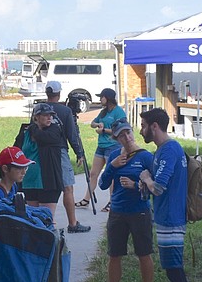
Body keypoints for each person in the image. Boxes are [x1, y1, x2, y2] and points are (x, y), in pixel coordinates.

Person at [139, 108, 202, 282]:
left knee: (176, 273)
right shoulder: (164, 150)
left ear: (154, 126)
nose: (141, 130)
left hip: (172, 220)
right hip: (167, 219)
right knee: (172, 271)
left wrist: (146, 178)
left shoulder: (169, 150)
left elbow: (159, 187)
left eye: (143, 125)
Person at [92, 120, 155, 282]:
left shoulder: (145, 157)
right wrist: (112, 166)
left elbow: (156, 188)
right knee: (114, 255)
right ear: (116, 138)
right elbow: (102, 184)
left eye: (128, 132)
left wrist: (135, 186)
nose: (126, 137)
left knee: (144, 254)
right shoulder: (114, 157)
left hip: (140, 211)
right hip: (117, 212)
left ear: (132, 132)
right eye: (121, 135)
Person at [45, 81, 90, 233]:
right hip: (60, 152)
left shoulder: (39, 109)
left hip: (42, 153)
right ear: (59, 94)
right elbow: (72, 134)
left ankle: (45, 223)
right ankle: (72, 223)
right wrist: (79, 153)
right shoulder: (65, 111)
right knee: (68, 188)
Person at [15, 102, 65, 221]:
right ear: (36, 117)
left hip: (48, 182)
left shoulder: (54, 130)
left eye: (50, 115)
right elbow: (16, 150)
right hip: (29, 181)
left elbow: (43, 137)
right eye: (45, 115)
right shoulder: (25, 133)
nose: (49, 118)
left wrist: (33, 127)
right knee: (33, 219)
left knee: (46, 219)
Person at [79, 87, 126, 212]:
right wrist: (98, 124)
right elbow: (92, 123)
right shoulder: (103, 112)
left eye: (102, 97)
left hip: (113, 146)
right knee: (93, 173)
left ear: (108, 98)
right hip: (101, 146)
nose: (100, 99)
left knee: (111, 175)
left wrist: (104, 130)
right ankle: (86, 200)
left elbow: (121, 129)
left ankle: (112, 201)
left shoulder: (118, 112)